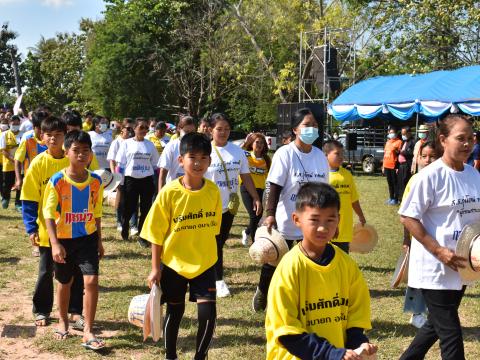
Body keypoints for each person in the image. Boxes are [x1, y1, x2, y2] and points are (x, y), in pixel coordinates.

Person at [398, 114, 480, 360]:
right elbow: (408, 217)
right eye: (460, 138)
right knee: (451, 332)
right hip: (435, 268)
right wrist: (439, 251)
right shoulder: (429, 176)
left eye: (471, 138)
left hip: (463, 265)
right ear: (443, 140)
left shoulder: (473, 175)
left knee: (437, 324)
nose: (467, 144)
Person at [265, 182, 377, 360]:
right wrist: (330, 353)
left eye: (330, 220)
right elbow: (287, 332)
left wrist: (357, 344)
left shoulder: (347, 266)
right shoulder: (289, 268)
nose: (323, 228)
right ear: (297, 219)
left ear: (338, 220)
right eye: (314, 220)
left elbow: (356, 316)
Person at [141, 132, 221, 360]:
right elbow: (155, 234)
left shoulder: (213, 191)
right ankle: (170, 355)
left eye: (204, 158)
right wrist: (156, 268)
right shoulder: (169, 193)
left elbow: (213, 229)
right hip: (174, 264)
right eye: (192, 157)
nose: (198, 163)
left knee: (208, 313)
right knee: (175, 311)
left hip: (205, 262)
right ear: (180, 160)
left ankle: (200, 356)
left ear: (210, 161)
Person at [253, 108, 329, 312]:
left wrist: (330, 219)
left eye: (314, 125)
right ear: (295, 129)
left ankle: (298, 302)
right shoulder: (284, 153)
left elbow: (325, 191)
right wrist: (269, 215)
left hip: (311, 222)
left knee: (308, 263)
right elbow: (273, 185)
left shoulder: (320, 156)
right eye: (307, 125)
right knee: (274, 260)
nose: (312, 128)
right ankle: (263, 291)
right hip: (286, 218)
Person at [20, 116, 85, 329]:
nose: (54, 139)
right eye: (49, 135)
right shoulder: (38, 163)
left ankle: (75, 312)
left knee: (75, 272)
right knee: (46, 271)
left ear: (65, 136)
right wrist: (31, 227)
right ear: (42, 137)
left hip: (75, 229)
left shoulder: (72, 159)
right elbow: (29, 198)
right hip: (48, 232)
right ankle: (42, 310)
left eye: (58, 135)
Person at [43, 130, 105, 350]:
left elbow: (97, 213)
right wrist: (55, 243)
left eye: (85, 151)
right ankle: (63, 321)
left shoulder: (96, 181)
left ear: (90, 154)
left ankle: (88, 330)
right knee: (64, 282)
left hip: (87, 239)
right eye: (76, 150)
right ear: (66, 152)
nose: (81, 155)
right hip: (64, 240)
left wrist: (99, 240)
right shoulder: (58, 180)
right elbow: (48, 213)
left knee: (91, 282)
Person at [204, 113, 262, 298]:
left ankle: (211, 274)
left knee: (219, 241)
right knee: (212, 243)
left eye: (227, 129)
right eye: (219, 129)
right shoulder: (205, 149)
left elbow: (245, 176)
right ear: (211, 130)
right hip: (207, 205)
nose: (223, 133)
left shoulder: (238, 152)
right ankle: (218, 280)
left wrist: (256, 197)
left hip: (229, 205)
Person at [400, 140, 437, 330]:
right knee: (417, 276)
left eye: (432, 156)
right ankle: (416, 313)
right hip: (419, 239)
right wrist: (407, 238)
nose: (428, 160)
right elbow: (405, 214)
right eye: (424, 156)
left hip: (438, 240)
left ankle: (432, 312)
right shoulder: (415, 180)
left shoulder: (442, 178)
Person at [115, 117, 159, 246]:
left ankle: (142, 236)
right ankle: (125, 228)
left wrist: (157, 181)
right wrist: (120, 181)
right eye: (141, 127)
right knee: (129, 207)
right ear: (134, 129)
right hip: (130, 180)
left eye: (146, 128)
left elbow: (155, 165)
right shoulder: (126, 143)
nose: (144, 130)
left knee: (146, 209)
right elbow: (120, 164)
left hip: (146, 180)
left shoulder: (150, 144)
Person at [14, 111, 48, 257]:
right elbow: (18, 159)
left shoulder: (50, 138)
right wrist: (18, 179)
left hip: (49, 182)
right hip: (32, 182)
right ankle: (36, 243)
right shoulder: (27, 138)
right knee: (33, 212)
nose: (43, 132)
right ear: (34, 127)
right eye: (40, 128)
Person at [323, 140, 366, 253]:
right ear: (326, 154)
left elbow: (354, 199)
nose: (341, 157)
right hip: (327, 228)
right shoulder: (322, 175)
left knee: (342, 257)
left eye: (342, 153)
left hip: (345, 228)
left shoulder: (347, 175)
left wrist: (361, 216)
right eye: (337, 154)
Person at [107, 120, 137, 233]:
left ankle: (133, 225)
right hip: (120, 174)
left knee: (133, 199)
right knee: (121, 199)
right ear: (122, 129)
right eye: (128, 128)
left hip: (132, 175)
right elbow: (112, 160)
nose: (130, 131)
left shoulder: (133, 141)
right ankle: (119, 221)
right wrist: (115, 175)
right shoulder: (116, 142)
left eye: (132, 129)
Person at [240, 132, 270, 246]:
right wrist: (245, 142)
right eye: (257, 142)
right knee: (254, 215)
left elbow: (270, 176)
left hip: (260, 190)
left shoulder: (266, 160)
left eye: (262, 143)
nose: (260, 144)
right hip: (246, 188)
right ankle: (254, 241)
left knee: (258, 215)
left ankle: (247, 232)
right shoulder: (246, 155)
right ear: (252, 144)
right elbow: (236, 153)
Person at [157, 116, 196, 191]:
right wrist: (160, 193)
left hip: (192, 190)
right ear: (179, 129)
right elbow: (163, 171)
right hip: (174, 190)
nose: (189, 135)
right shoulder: (171, 146)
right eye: (186, 132)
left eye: (192, 132)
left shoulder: (198, 147)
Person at [0, 115, 21, 210]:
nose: (15, 125)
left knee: (20, 184)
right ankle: (5, 198)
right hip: (8, 165)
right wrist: (13, 159)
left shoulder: (23, 135)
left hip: (21, 165)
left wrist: (19, 161)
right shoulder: (4, 134)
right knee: (6, 184)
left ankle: (18, 203)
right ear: (10, 123)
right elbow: (3, 150)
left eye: (17, 123)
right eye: (13, 123)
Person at [382, 127, 402, 205]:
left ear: (396, 133)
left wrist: (396, 150)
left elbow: (400, 153)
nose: (391, 134)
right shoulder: (388, 142)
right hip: (387, 164)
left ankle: (396, 198)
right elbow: (385, 154)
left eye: (392, 132)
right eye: (390, 132)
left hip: (394, 165)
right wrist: (383, 166)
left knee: (395, 182)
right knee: (389, 182)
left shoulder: (399, 142)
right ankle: (391, 197)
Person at [397, 126, 415, 200]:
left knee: (405, 182)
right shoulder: (404, 141)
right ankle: (401, 198)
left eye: (404, 134)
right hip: (401, 165)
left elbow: (411, 153)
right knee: (400, 182)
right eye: (402, 134)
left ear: (409, 133)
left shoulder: (413, 141)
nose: (403, 135)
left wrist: (402, 152)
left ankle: (406, 199)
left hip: (407, 165)